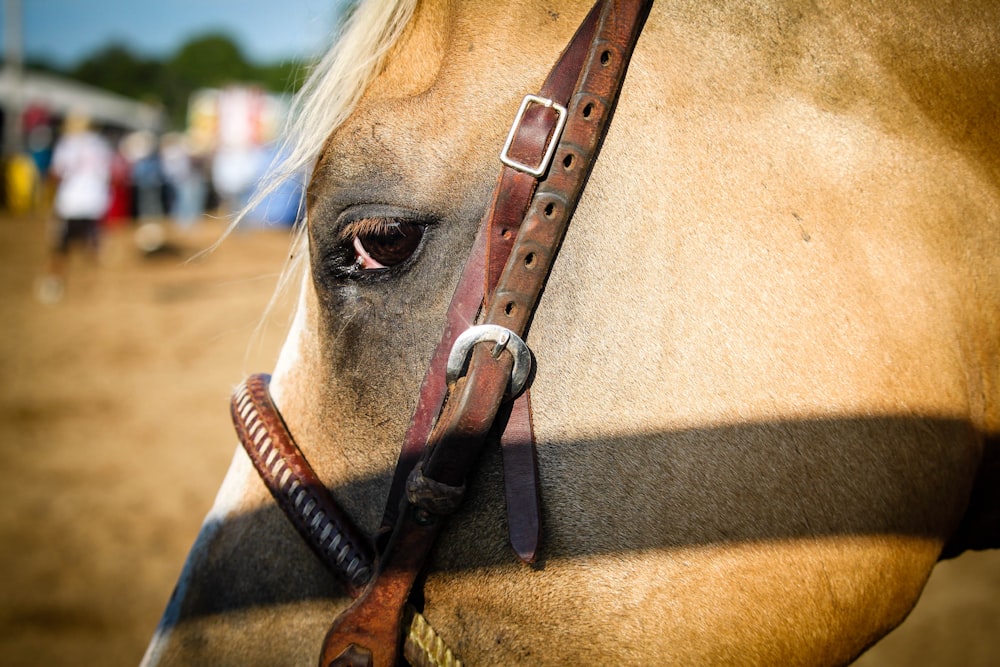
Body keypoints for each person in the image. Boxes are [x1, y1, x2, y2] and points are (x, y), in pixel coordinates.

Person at [35, 113, 113, 304]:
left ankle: (54, 284)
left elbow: (57, 172)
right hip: (95, 201)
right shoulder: (101, 145)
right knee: (93, 244)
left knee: (60, 246)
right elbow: (109, 173)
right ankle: (100, 289)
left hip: (71, 202)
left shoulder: (67, 144)